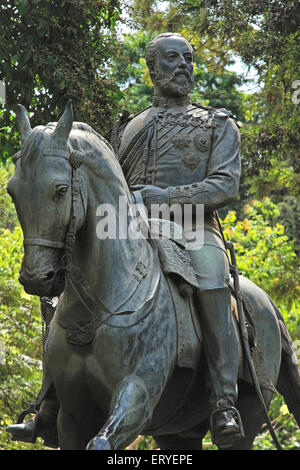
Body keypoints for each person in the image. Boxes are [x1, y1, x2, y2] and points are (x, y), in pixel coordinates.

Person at [7, 32, 243, 448]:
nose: (183, 66)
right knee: (74, 283)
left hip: (192, 225)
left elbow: (225, 186)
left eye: (188, 59)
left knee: (212, 275)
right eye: (172, 59)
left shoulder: (216, 124)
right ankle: (50, 404)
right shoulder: (127, 127)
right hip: (125, 225)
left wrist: (167, 198)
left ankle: (224, 400)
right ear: (152, 68)